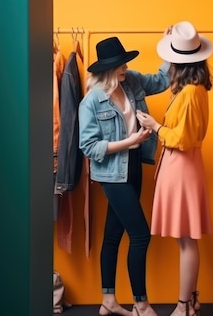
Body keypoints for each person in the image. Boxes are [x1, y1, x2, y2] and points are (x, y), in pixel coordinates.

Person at [79, 36, 170, 316]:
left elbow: (161, 80)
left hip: (133, 166)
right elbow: (89, 147)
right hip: (111, 173)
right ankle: (141, 305)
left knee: (113, 235)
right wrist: (130, 141)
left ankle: (108, 301)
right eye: (120, 64)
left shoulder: (131, 81)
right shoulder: (91, 102)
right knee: (141, 235)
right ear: (107, 69)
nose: (126, 66)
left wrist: (170, 45)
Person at [136, 21, 213, 316]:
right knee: (187, 239)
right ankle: (190, 300)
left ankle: (183, 305)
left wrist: (154, 125)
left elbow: (182, 138)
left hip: (181, 166)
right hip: (182, 166)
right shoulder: (191, 90)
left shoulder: (191, 93)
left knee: (185, 240)